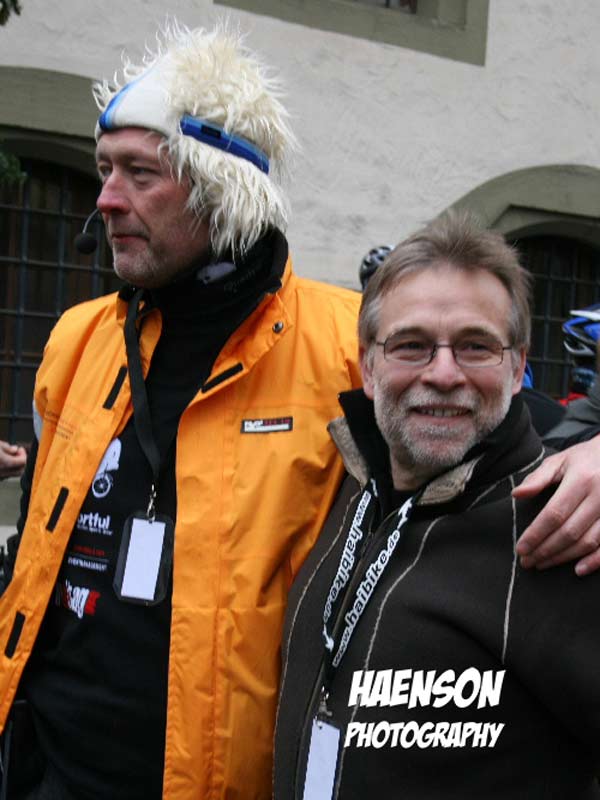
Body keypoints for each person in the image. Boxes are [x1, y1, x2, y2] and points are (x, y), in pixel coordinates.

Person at [0, 21, 599, 800]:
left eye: (140, 173)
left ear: (220, 184)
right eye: (105, 169)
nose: (107, 198)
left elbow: (498, 430)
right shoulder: (76, 340)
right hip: (47, 770)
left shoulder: (347, 342)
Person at [274, 214, 600, 799]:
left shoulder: (567, 527)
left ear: (518, 367)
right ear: (368, 367)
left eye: (476, 346)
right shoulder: (347, 489)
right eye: (411, 345)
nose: (443, 373)